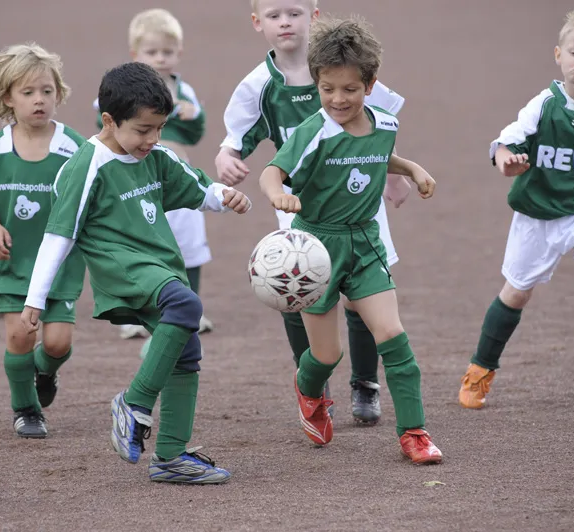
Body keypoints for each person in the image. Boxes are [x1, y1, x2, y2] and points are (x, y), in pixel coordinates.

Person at [23, 62, 251, 483]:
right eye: (143, 130)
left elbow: (197, 187)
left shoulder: (157, 157)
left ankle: (170, 457)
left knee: (187, 352)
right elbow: (58, 236)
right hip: (122, 267)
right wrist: (36, 299)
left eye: (159, 128)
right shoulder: (86, 166)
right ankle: (134, 403)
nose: (153, 139)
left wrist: (226, 196)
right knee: (187, 304)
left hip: (159, 266)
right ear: (109, 120)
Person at [215, 0, 412, 423]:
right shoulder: (258, 85)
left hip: (359, 206)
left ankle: (365, 383)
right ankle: (313, 381)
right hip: (300, 207)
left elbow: (381, 124)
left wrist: (395, 176)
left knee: (363, 300)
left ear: (314, 16)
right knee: (295, 289)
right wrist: (226, 156)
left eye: (294, 12)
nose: (285, 22)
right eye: (274, 15)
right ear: (258, 23)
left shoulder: (344, 62)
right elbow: (238, 137)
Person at [258, 16, 443, 464]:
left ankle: (414, 432)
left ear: (370, 84)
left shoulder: (385, 123)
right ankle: (309, 391)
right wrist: (278, 194)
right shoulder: (312, 132)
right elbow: (271, 171)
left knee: (393, 336)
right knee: (327, 354)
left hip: (364, 244)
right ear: (317, 84)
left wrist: (412, 168)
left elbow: (381, 155)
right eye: (328, 89)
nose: (338, 99)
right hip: (315, 249)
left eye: (350, 89)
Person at [459, 7, 574, 409]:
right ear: (558, 54)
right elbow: (508, 141)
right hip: (538, 213)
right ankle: (480, 370)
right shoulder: (543, 105)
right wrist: (507, 158)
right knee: (516, 293)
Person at [0, 43, 87, 438]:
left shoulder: (73, 147)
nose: (39, 100)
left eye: (47, 91)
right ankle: (26, 409)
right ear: (8, 97)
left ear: (58, 93)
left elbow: (90, 197)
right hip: (13, 260)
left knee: (56, 343)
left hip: (60, 263)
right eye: (28, 93)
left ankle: (43, 370)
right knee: (19, 335)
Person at [102, 8, 215, 341]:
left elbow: (195, 133)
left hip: (176, 179)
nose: (160, 59)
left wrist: (194, 116)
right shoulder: (122, 91)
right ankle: (134, 313)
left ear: (179, 53)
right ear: (135, 54)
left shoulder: (185, 91)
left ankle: (191, 309)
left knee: (189, 243)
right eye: (152, 52)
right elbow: (104, 124)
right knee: (136, 243)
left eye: (167, 52)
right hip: (136, 181)